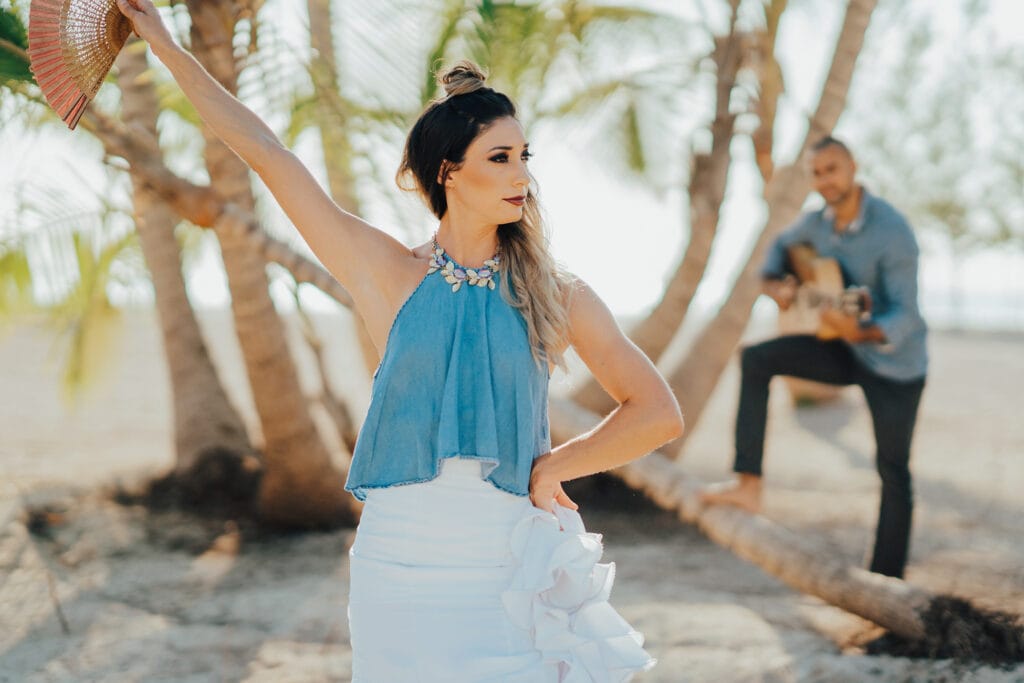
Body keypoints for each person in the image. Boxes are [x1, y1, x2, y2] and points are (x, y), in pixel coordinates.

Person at [116, 0, 685, 679]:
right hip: (400, 562)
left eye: (523, 156)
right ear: (448, 172)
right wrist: (163, 42)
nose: (521, 175)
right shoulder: (386, 271)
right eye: (500, 158)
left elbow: (657, 412)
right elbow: (267, 153)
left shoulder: (557, 294)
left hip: (507, 555)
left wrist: (558, 463)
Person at [701, 135, 928, 579]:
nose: (825, 179)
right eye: (817, 172)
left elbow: (906, 313)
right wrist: (777, 285)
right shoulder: (815, 226)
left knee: (893, 470)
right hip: (843, 349)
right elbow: (776, 252)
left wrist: (863, 329)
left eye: (833, 169)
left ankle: (886, 581)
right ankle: (748, 484)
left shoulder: (892, 231)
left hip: (896, 362)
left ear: (853, 166)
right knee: (755, 358)